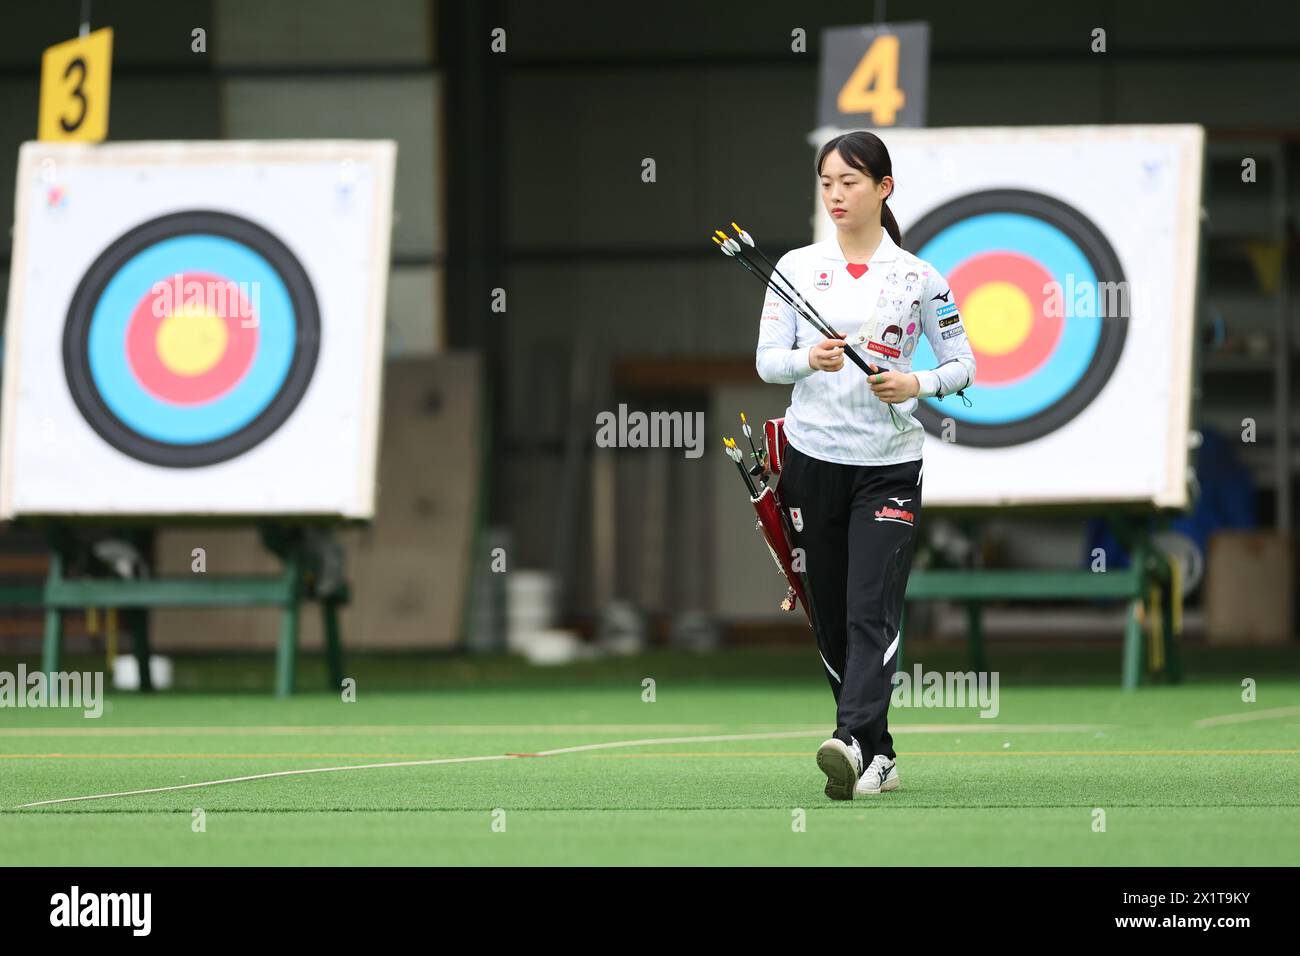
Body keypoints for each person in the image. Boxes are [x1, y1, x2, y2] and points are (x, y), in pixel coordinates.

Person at [755, 130, 976, 799]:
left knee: (868, 606)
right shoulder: (795, 266)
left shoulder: (918, 277)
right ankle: (877, 751)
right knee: (826, 609)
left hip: (887, 466)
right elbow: (768, 362)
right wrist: (809, 359)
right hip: (812, 461)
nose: (836, 194)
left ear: (883, 188)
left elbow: (965, 369)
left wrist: (918, 386)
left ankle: (849, 739)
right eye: (826, 182)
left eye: (850, 181)